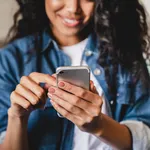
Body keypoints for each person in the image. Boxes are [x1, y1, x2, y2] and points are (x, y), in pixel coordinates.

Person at [0, 0, 150, 150]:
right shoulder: (10, 60)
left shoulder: (124, 52)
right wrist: (17, 117)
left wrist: (99, 126)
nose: (73, 8)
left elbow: (144, 139)